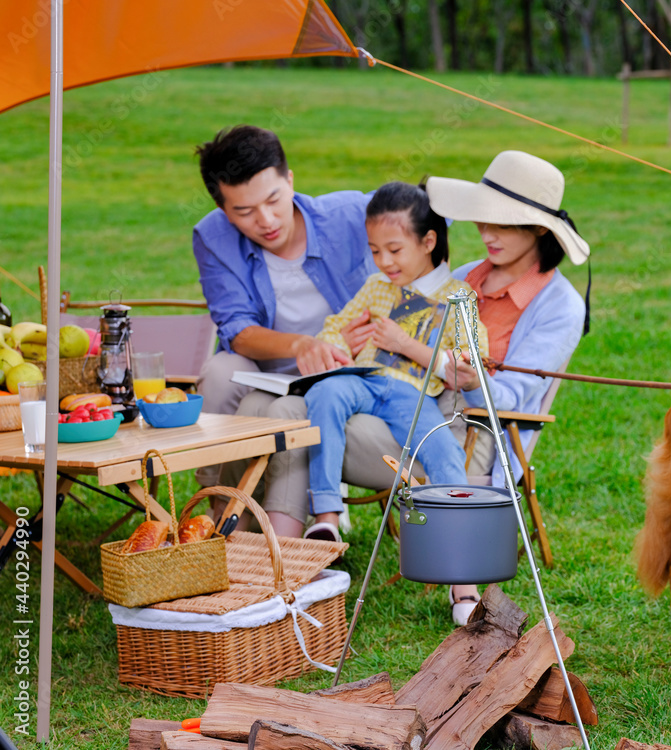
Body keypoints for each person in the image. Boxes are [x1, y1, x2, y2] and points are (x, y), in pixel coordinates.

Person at [348, 150, 590, 624]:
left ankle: (302, 552)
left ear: (541, 228)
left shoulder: (559, 305)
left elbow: (513, 400)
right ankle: (297, 553)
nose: (487, 233)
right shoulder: (461, 278)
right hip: (405, 402)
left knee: (302, 431)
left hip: (469, 434)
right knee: (308, 409)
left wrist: (473, 381)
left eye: (504, 224)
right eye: (482, 221)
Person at [300, 181, 488, 547]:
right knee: (326, 392)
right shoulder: (375, 287)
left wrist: (406, 345)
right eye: (375, 251)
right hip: (363, 379)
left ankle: (460, 553)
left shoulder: (458, 297)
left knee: (444, 451)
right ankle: (326, 515)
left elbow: (471, 358)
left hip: (412, 395)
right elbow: (334, 327)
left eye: (394, 250)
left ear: (428, 242)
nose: (384, 262)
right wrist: (338, 348)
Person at [191, 125, 375, 489]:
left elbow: (429, 220)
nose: (267, 220)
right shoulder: (212, 237)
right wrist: (300, 345)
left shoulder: (352, 213)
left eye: (274, 200)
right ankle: (217, 499)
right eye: (245, 211)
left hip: (348, 367)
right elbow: (237, 331)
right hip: (266, 372)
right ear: (223, 209)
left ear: (290, 180)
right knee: (218, 372)